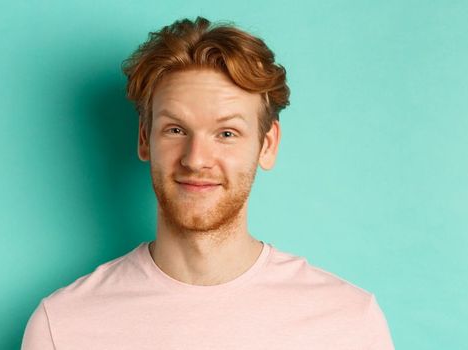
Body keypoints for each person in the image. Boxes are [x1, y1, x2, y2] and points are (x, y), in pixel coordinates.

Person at [21, 16, 394, 349]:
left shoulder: (348, 323)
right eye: (176, 129)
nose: (196, 158)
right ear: (143, 139)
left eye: (227, 133)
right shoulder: (65, 324)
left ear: (267, 145)